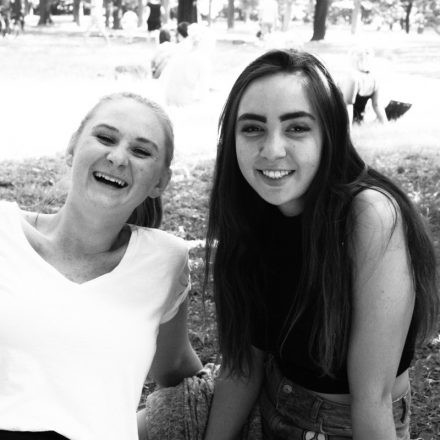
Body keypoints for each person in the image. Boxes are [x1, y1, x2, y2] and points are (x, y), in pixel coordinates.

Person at [202, 49, 439, 439]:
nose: (272, 149)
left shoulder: (369, 215)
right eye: (253, 128)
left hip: (340, 426)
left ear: (329, 134)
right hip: (269, 400)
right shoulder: (250, 208)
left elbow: (373, 400)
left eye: (296, 128)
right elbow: (242, 367)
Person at [0, 92, 202, 440]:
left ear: (160, 182)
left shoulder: (165, 261)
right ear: (72, 146)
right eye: (106, 138)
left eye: (141, 151)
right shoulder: (5, 232)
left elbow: (177, 367)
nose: (118, 157)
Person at [339, 47, 388, 125]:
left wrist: (348, 129)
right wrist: (385, 123)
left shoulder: (352, 79)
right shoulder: (374, 79)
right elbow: (377, 105)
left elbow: (348, 105)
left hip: (343, 119)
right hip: (358, 119)